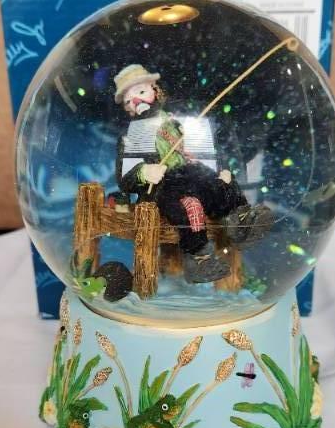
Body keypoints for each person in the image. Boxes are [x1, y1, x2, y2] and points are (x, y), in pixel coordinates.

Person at [113, 64, 272, 284]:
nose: (137, 101)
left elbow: (200, 152)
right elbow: (125, 180)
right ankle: (199, 258)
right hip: (162, 189)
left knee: (217, 182)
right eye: (130, 100)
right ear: (127, 107)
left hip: (188, 175)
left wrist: (218, 170)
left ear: (155, 89)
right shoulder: (131, 137)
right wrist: (144, 172)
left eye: (141, 92)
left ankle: (241, 222)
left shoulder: (174, 124)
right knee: (190, 205)